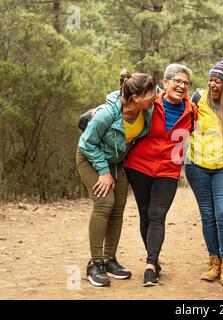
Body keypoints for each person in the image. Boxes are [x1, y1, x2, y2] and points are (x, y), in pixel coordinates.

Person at [77, 69, 157, 287]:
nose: (155, 97)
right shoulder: (107, 114)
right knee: (105, 203)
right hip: (91, 158)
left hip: (117, 160)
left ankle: (109, 260)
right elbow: (86, 143)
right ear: (136, 98)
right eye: (151, 93)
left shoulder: (145, 109)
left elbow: (164, 90)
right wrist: (103, 171)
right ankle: (95, 263)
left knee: (119, 206)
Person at [124, 64, 196, 287]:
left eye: (186, 83)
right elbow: (123, 102)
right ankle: (153, 260)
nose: (182, 86)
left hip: (169, 169)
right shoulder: (149, 103)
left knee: (158, 215)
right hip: (139, 166)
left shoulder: (192, 110)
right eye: (177, 81)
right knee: (145, 214)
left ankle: (150, 264)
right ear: (165, 83)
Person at [185, 52, 223, 286]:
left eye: (218, 81)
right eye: (211, 79)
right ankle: (214, 262)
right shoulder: (198, 97)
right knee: (208, 215)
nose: (212, 84)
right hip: (197, 166)